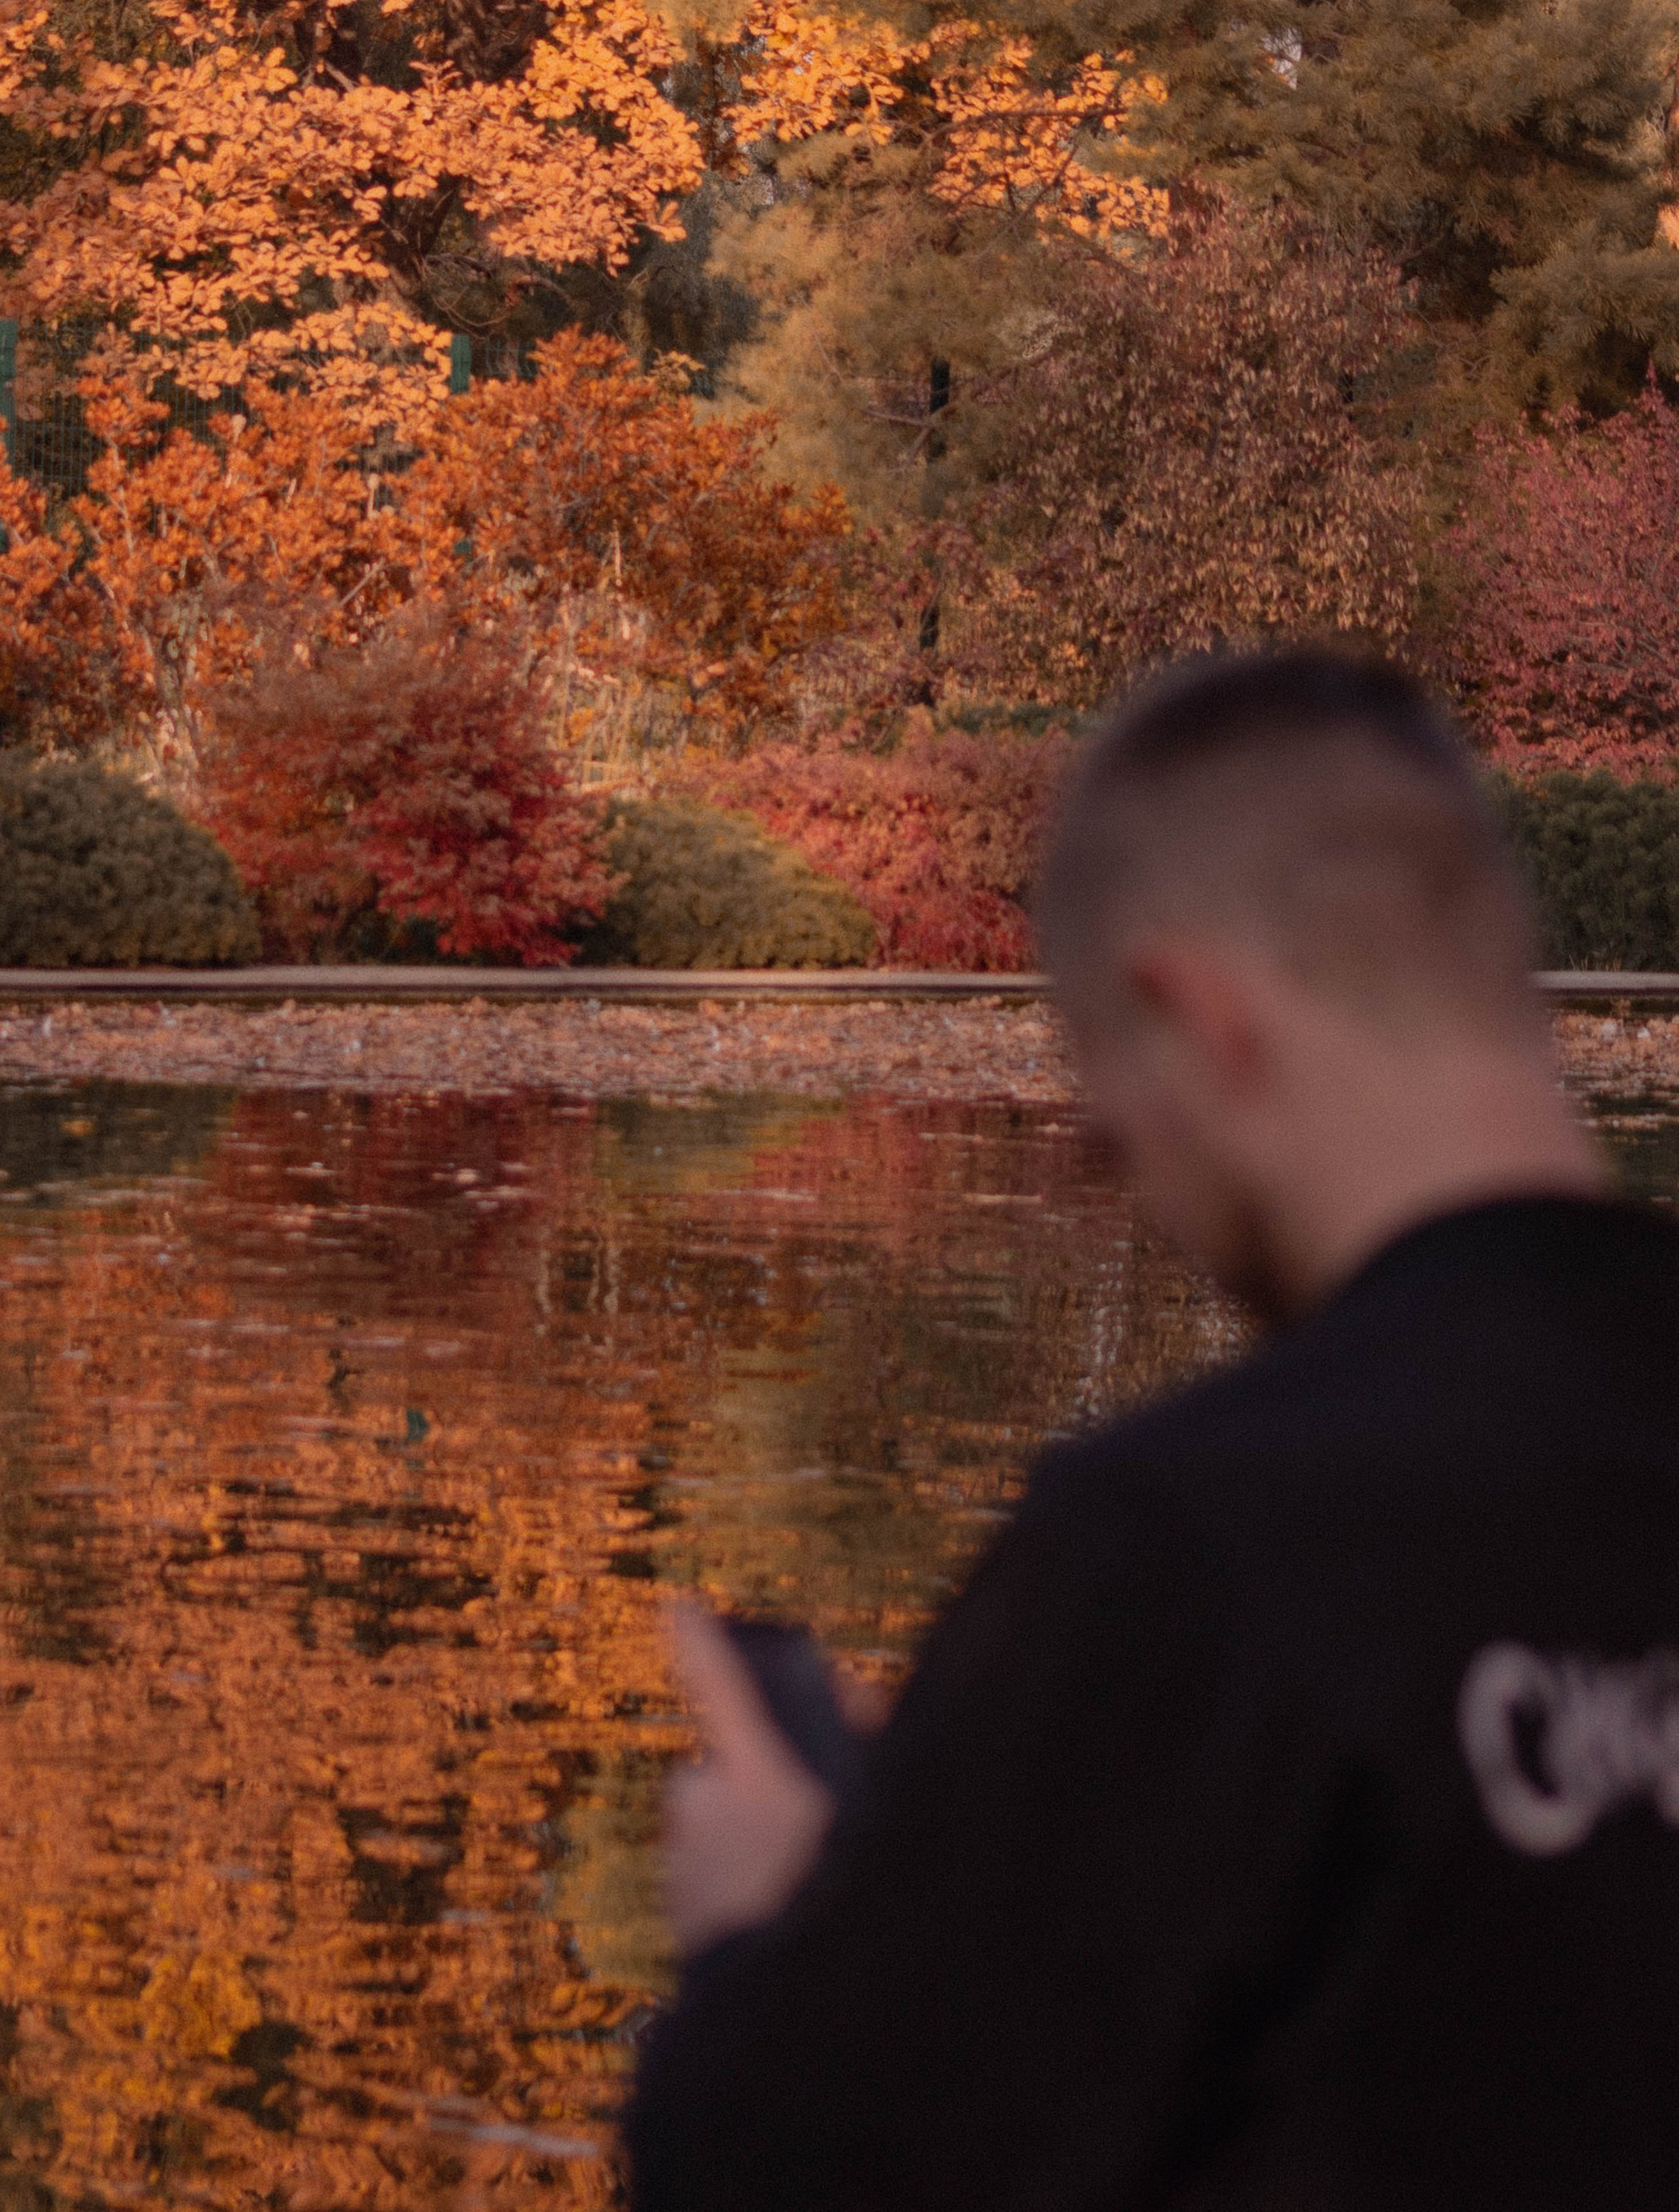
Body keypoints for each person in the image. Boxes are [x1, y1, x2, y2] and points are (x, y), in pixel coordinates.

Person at [625, 648, 1679, 2209]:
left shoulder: (1194, 1544)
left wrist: (765, 1934)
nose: (1145, 1192)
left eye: (1116, 1121)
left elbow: (794, 2168)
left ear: (1190, 1011)